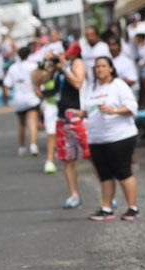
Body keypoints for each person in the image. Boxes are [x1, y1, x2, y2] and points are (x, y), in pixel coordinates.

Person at [73, 57, 140, 221]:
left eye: (103, 66)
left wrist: (113, 111)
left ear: (111, 68)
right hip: (97, 138)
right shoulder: (92, 88)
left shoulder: (119, 85)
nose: (100, 69)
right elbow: (89, 110)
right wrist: (80, 114)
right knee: (104, 174)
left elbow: (132, 107)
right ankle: (106, 208)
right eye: (97, 67)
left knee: (123, 172)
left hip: (120, 136)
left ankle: (132, 208)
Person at [54, 43, 88, 208]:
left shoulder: (77, 63)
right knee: (67, 159)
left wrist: (65, 69)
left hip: (77, 117)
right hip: (63, 118)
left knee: (91, 156)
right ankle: (74, 194)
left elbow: (78, 83)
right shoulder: (61, 68)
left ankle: (108, 193)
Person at [3, 46, 42, 156]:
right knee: (32, 122)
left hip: (18, 99)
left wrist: (7, 97)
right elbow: (38, 81)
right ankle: (33, 145)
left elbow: (7, 84)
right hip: (31, 98)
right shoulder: (33, 66)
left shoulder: (12, 68)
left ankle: (22, 147)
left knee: (21, 124)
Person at [33, 51, 61, 173]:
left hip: (64, 105)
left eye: (53, 59)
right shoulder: (47, 72)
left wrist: (58, 63)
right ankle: (49, 162)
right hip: (50, 104)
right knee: (51, 133)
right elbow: (37, 81)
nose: (51, 62)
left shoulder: (63, 69)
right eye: (49, 60)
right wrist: (43, 62)